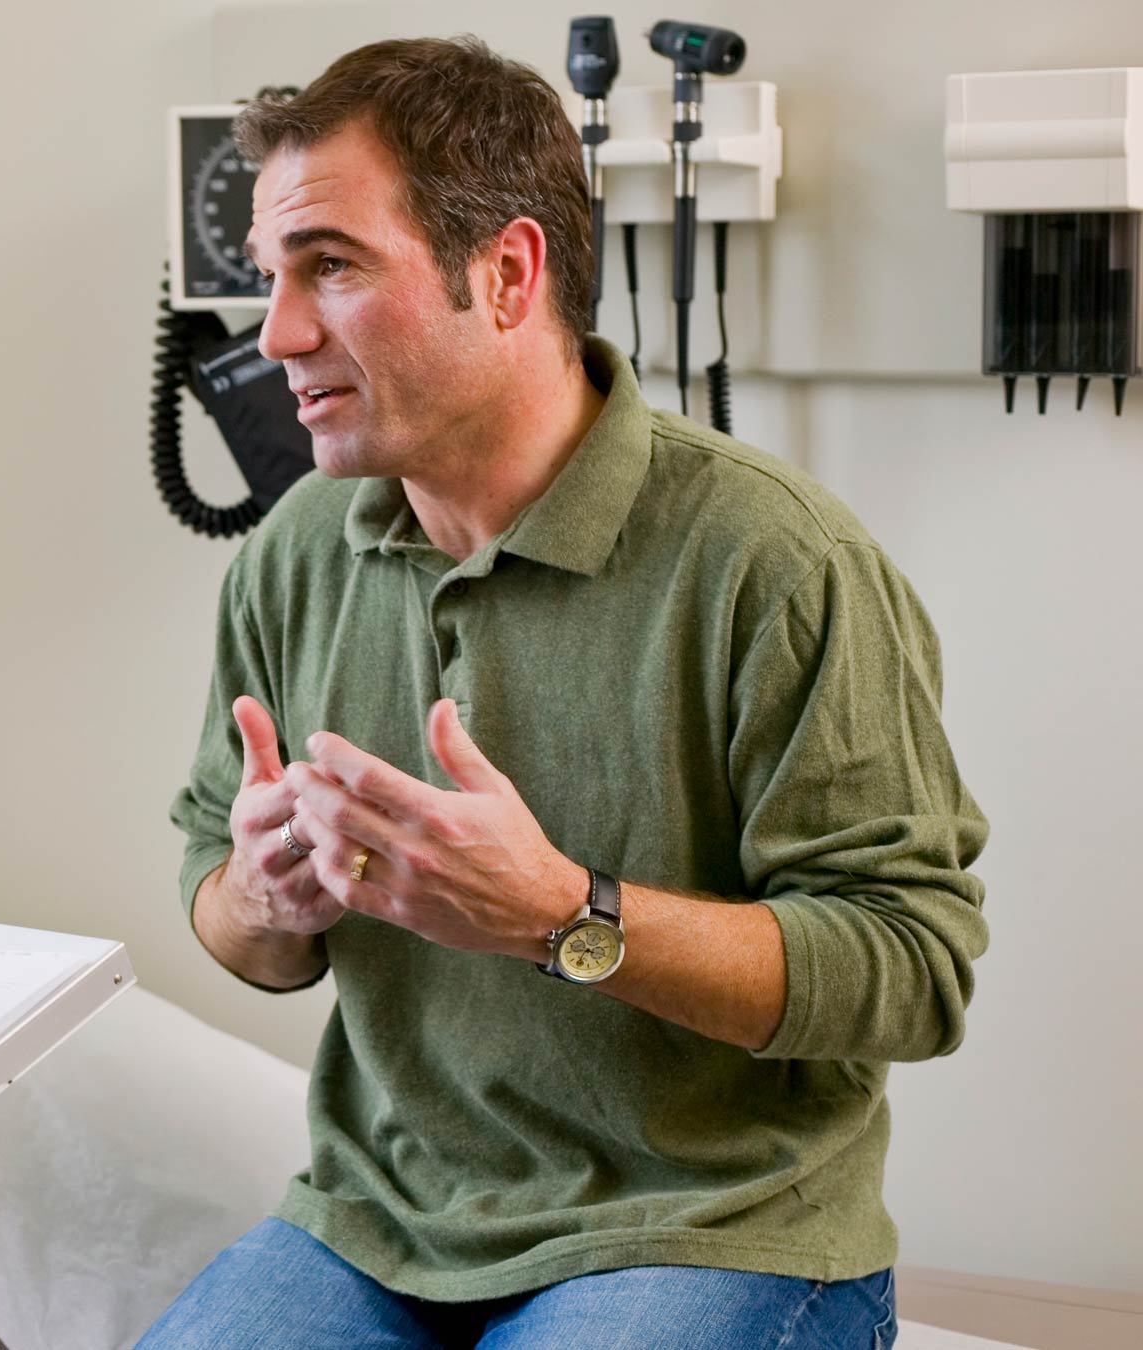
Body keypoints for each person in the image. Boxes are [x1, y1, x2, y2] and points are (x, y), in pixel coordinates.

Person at [143, 37, 986, 1350]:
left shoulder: (775, 563)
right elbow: (227, 912)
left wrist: (562, 915)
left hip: (709, 1223)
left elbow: (913, 970)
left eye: (332, 266)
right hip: (376, 1229)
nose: (279, 334)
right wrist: (261, 895)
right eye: (271, 276)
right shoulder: (293, 558)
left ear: (508, 271)